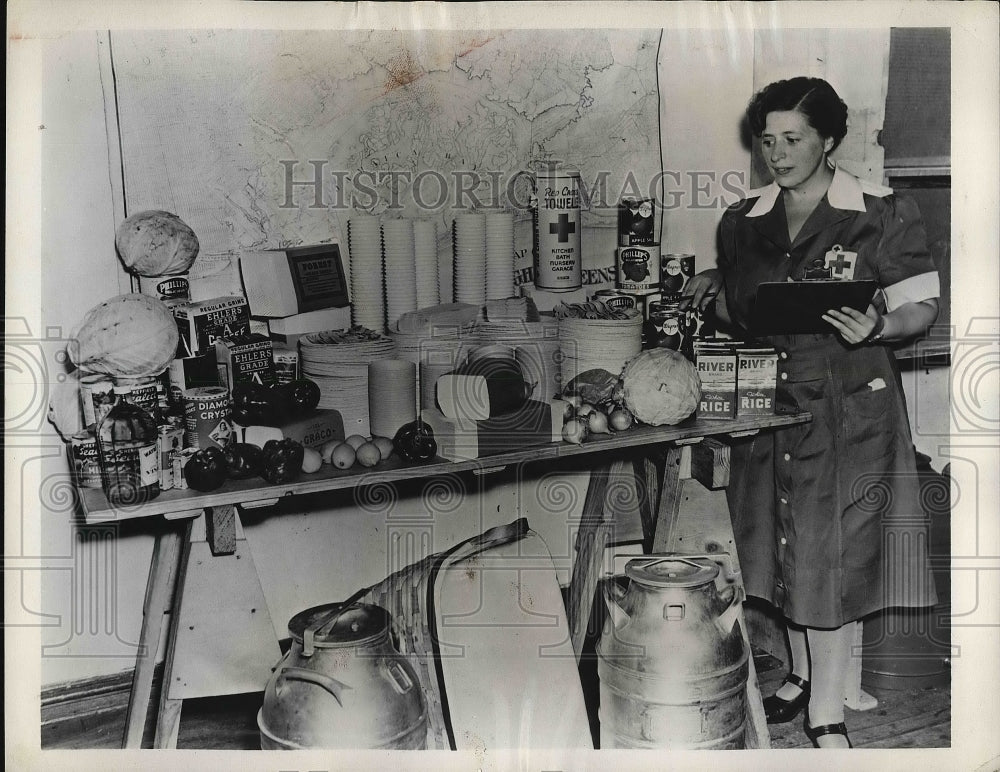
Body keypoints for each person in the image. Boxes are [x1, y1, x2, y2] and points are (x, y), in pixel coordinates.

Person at [686, 76, 940, 749]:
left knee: (833, 557)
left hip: (849, 403)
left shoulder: (881, 210)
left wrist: (879, 328)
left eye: (793, 138)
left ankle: (826, 711)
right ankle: (798, 674)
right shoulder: (742, 222)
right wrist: (710, 291)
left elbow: (919, 304)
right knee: (779, 547)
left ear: (828, 138)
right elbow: (742, 309)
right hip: (771, 402)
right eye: (768, 140)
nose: (778, 151)